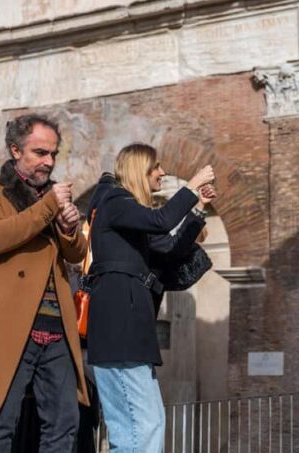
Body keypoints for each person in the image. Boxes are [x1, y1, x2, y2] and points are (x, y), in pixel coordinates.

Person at [0, 114, 89, 453]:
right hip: (8, 323)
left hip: (57, 326)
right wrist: (49, 207)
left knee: (64, 424)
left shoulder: (52, 198)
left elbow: (76, 254)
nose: (49, 161)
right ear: (15, 150)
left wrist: (70, 229)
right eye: (40, 152)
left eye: (53, 154)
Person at [85, 144, 215, 452]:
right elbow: (162, 222)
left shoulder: (129, 216)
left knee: (141, 422)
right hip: (120, 327)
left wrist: (198, 210)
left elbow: (168, 247)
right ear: (139, 169)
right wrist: (191, 186)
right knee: (142, 424)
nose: (162, 173)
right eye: (156, 167)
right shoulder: (115, 201)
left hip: (127, 329)